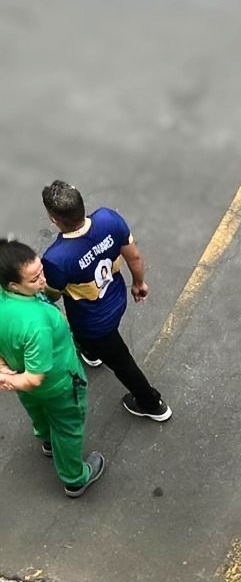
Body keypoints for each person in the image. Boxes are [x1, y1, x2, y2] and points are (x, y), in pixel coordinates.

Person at [40, 180, 171, 422]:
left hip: (93, 323)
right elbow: (134, 256)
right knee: (95, 342)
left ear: (54, 220)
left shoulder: (56, 258)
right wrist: (139, 283)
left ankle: (152, 403)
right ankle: (91, 351)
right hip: (117, 298)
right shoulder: (108, 220)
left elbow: (52, 294)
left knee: (122, 363)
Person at [0, 239, 105, 497]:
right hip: (58, 384)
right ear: (13, 285)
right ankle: (74, 478)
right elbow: (35, 378)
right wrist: (4, 379)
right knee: (68, 426)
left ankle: (47, 440)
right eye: (35, 279)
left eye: (41, 271)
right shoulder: (38, 322)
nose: (43, 280)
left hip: (20, 372)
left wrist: (4, 368)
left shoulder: (6, 298)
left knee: (37, 409)